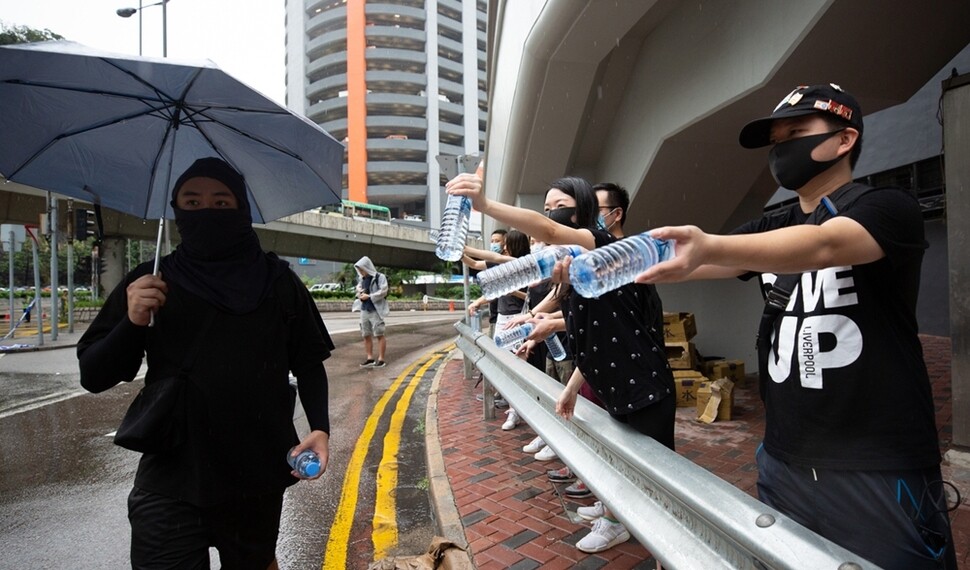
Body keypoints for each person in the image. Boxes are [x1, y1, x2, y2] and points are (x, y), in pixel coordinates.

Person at [636, 84, 956, 570]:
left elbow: (825, 246)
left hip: (877, 460)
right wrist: (608, 266)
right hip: (783, 458)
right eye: (776, 139)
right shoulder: (774, 222)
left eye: (797, 133)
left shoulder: (887, 208)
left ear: (844, 140)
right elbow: (696, 259)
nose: (782, 149)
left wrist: (710, 247)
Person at [77, 157, 334, 570]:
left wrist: (320, 428)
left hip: (255, 476)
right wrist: (133, 321)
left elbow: (308, 362)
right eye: (191, 203)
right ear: (176, 211)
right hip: (171, 476)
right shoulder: (151, 281)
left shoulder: (278, 282)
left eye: (220, 201)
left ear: (241, 209)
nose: (205, 212)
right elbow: (93, 375)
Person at [446, 174, 674, 555]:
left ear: (585, 213)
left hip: (644, 387)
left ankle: (658, 545)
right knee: (619, 463)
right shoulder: (571, 271)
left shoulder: (608, 250)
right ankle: (615, 516)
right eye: (548, 208)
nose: (552, 217)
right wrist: (549, 346)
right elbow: (597, 334)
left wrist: (484, 205)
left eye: (560, 208)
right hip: (614, 387)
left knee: (656, 484)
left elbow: (550, 232)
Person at [353, 256, 389, 368]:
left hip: (375, 310)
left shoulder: (379, 277)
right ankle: (370, 358)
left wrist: (369, 296)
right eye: (359, 270)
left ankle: (381, 359)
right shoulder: (361, 279)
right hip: (364, 309)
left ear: (367, 267)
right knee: (366, 334)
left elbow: (383, 291)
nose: (361, 272)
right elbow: (358, 289)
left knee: (379, 334)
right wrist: (359, 292)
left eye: (362, 269)